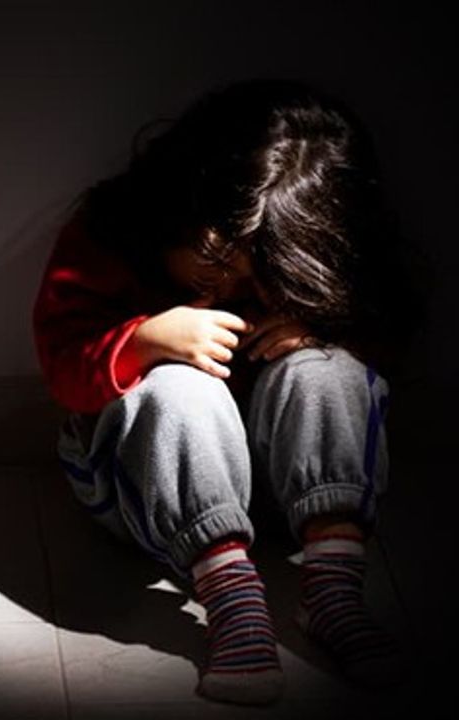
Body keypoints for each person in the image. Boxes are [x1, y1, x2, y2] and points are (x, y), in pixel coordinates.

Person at [31, 78, 424, 706]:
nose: (226, 288)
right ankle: (232, 599)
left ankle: (333, 589)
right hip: (148, 490)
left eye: (254, 275)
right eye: (214, 263)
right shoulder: (109, 234)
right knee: (177, 388)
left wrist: (324, 328)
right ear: (177, 209)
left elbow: (395, 340)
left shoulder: (320, 259)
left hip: (286, 491)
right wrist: (142, 342)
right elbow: (60, 365)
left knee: (327, 369)